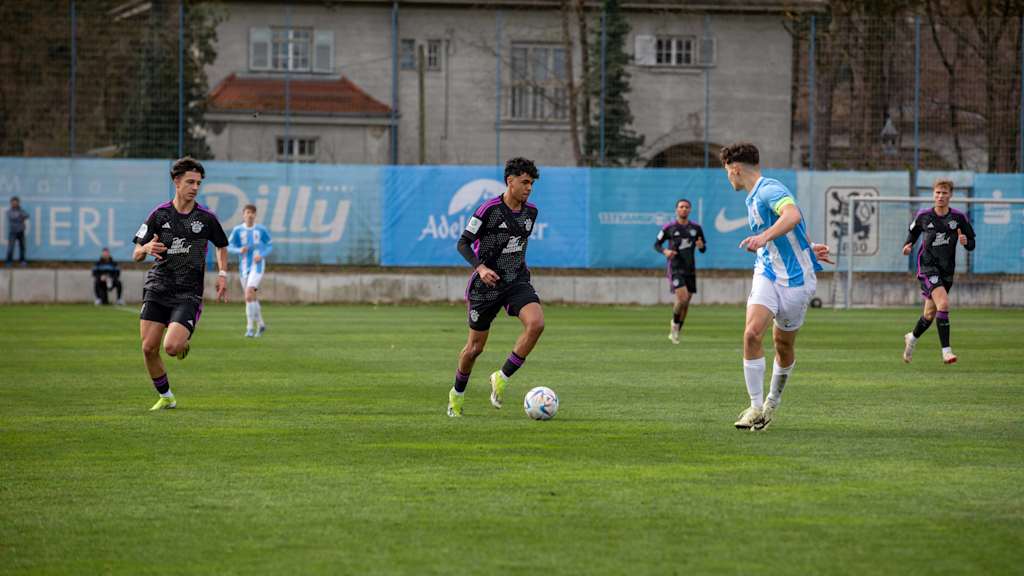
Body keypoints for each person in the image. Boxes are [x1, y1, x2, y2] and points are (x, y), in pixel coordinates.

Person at [720, 143, 833, 430]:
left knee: (783, 345)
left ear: (734, 169)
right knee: (751, 333)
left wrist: (763, 238)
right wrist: (807, 246)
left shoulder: (769, 189)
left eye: (727, 172)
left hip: (796, 280)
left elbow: (792, 215)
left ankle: (772, 402)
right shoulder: (753, 197)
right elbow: (794, 227)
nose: (728, 178)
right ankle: (755, 406)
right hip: (767, 272)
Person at [446, 157, 545, 417]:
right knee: (474, 349)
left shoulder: (531, 212)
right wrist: (480, 267)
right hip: (485, 287)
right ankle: (456, 394)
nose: (529, 188)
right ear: (509, 181)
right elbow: (463, 243)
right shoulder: (488, 210)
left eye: (532, 183)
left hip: (516, 282)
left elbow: (517, 245)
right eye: (524, 182)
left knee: (536, 324)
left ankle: (501, 377)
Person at [133, 157, 229, 411]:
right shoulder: (159, 214)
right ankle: (166, 396)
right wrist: (146, 247)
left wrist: (222, 274)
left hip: (188, 293)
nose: (195, 187)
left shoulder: (206, 218)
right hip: (158, 286)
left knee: (172, 347)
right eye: (190, 182)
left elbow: (221, 245)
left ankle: (182, 341)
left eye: (198, 183)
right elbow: (136, 252)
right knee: (148, 348)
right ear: (176, 182)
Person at [901, 179, 975, 365]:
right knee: (943, 304)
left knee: (929, 314)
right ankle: (946, 352)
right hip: (927, 266)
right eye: (937, 193)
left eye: (944, 193)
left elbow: (971, 244)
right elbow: (913, 233)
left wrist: (966, 242)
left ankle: (912, 338)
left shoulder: (958, 218)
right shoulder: (924, 215)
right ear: (933, 194)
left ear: (951, 195)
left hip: (947, 270)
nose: (940, 196)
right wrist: (907, 245)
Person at [653, 198, 706, 344]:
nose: (684, 209)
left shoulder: (696, 228)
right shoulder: (669, 227)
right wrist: (665, 251)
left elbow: (703, 248)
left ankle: (677, 330)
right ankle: (674, 325)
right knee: (682, 298)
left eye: (687, 207)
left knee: (686, 303)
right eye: (681, 207)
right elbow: (656, 244)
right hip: (675, 267)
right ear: (676, 209)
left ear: (690, 210)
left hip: (690, 269)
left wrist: (701, 246)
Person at [228, 204, 273, 337]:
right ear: (243, 214)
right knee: (251, 297)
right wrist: (238, 250)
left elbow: (270, 245)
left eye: (253, 212)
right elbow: (229, 246)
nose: (250, 215)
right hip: (243, 267)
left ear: (255, 215)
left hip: (257, 266)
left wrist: (262, 255)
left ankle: (249, 328)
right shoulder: (237, 230)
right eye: (248, 212)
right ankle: (261, 324)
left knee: (248, 294)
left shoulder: (261, 229)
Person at [6, 196, 29, 266]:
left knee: (22, 247)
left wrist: (20, 215)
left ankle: (22, 261)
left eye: (16, 203)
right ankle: (9, 261)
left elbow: (27, 215)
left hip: (21, 231)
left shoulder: (21, 210)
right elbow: (13, 217)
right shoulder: (9, 211)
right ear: (11, 203)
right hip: (13, 232)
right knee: (11, 247)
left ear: (18, 203)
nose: (15, 204)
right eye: (13, 203)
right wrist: (21, 216)